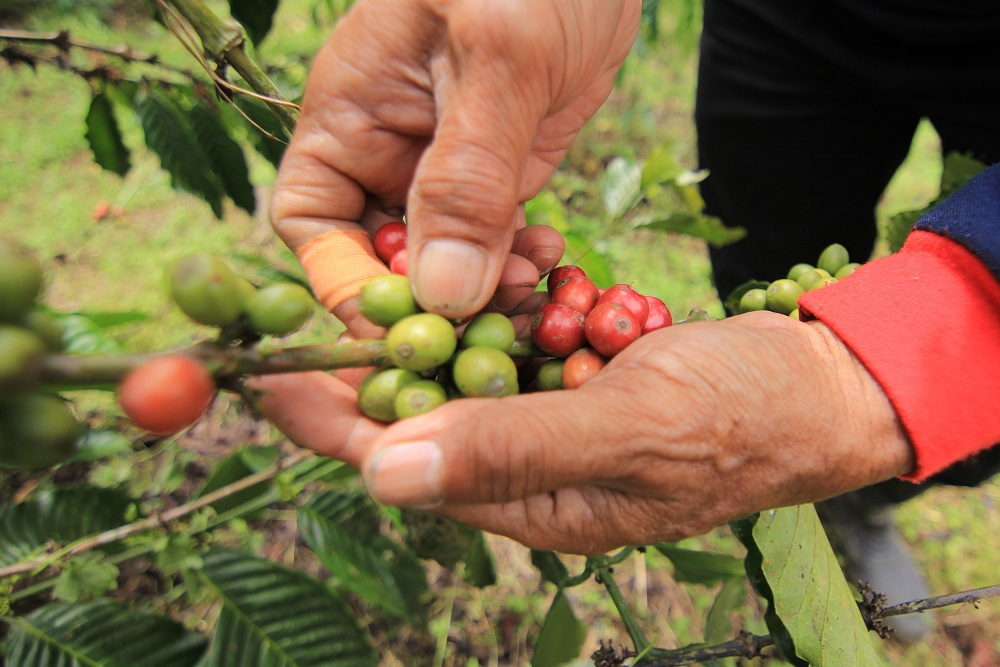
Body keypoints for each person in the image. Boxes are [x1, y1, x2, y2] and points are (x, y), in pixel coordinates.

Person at [260, 0, 1000, 643]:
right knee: (767, 251)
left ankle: (874, 499)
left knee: (947, 425)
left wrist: (895, 361)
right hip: (787, 17)